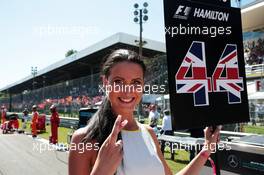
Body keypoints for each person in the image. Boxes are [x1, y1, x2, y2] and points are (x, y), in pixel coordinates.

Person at [68, 49, 220, 175]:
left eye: (136, 82)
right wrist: (101, 171)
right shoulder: (83, 139)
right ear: (105, 82)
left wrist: (205, 151)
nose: (128, 91)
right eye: (118, 82)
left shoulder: (149, 133)